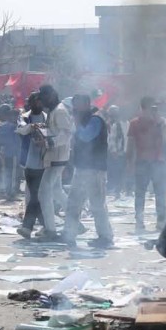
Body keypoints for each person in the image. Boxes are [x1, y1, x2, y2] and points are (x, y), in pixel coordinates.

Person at [62, 95, 114, 248]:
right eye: (74, 106)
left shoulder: (95, 120)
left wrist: (77, 122)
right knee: (74, 203)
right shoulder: (81, 121)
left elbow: (85, 137)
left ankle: (105, 237)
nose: (75, 109)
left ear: (86, 104)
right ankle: (69, 234)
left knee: (97, 204)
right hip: (81, 168)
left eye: (77, 105)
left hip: (95, 169)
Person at [127, 96, 166, 233]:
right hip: (144, 162)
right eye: (152, 107)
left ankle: (159, 222)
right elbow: (131, 144)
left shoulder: (160, 122)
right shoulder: (135, 123)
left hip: (157, 161)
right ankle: (141, 221)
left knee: (158, 193)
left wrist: (159, 123)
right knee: (141, 193)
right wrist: (130, 162)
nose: (154, 109)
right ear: (144, 107)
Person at [38, 85, 73, 239]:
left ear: (52, 95)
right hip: (54, 156)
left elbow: (66, 134)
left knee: (44, 193)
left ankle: (51, 230)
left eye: (44, 96)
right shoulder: (53, 111)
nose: (42, 100)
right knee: (57, 191)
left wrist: (48, 143)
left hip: (57, 156)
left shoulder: (59, 111)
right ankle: (76, 222)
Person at [16, 92, 47, 238]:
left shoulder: (48, 117)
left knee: (37, 196)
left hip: (45, 161)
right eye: (35, 101)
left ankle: (29, 227)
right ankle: (44, 226)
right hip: (29, 162)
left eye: (40, 101)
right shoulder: (24, 117)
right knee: (34, 196)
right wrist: (32, 126)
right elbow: (21, 129)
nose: (38, 104)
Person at [0, 104, 21, 200]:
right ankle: (11, 193)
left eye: (16, 115)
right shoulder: (11, 126)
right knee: (12, 174)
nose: (14, 117)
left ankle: (10, 192)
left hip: (13, 153)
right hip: (12, 153)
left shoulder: (17, 126)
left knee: (11, 173)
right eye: (12, 115)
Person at [106, 105, 127, 198]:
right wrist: (114, 150)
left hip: (124, 151)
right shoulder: (112, 124)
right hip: (115, 152)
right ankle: (115, 190)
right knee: (115, 171)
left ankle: (120, 189)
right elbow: (112, 138)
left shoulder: (126, 124)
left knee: (122, 171)